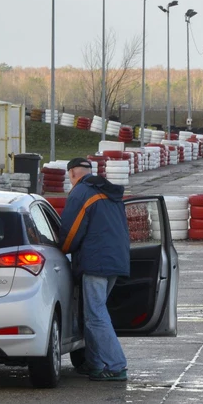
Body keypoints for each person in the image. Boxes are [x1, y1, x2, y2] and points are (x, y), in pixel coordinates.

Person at [58, 157, 131, 382]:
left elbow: (71, 232)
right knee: (94, 314)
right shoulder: (109, 192)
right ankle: (96, 364)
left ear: (72, 174)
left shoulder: (81, 193)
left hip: (96, 262)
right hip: (116, 260)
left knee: (96, 315)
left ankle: (117, 365)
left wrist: (61, 250)